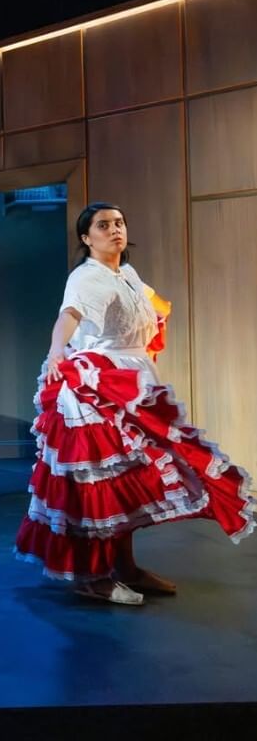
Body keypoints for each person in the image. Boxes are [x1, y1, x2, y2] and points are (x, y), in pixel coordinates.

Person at [14, 203, 255, 604]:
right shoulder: (86, 277)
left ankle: (124, 566)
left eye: (119, 223)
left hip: (129, 381)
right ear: (86, 238)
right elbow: (70, 314)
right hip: (94, 390)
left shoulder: (125, 273)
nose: (115, 230)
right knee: (96, 483)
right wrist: (57, 350)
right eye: (103, 225)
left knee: (126, 479)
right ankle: (92, 575)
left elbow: (151, 308)